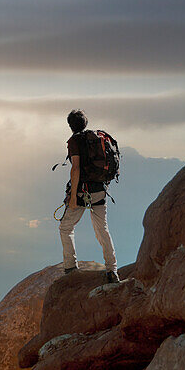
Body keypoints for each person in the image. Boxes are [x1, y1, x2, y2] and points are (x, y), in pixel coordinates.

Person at [59, 109, 119, 283]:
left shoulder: (74, 142)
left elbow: (76, 168)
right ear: (85, 123)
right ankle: (112, 270)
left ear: (70, 126)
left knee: (65, 227)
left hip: (82, 192)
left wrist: (72, 197)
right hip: (100, 189)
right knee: (102, 230)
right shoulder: (97, 139)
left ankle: (70, 267)